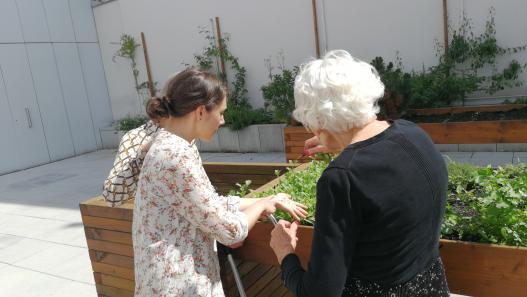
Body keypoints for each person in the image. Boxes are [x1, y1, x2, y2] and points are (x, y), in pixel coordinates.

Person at [269, 50, 450, 297]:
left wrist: (285, 254)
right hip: (430, 288)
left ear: (318, 120)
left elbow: (320, 292)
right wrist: (341, 142)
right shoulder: (413, 134)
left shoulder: (341, 178)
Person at [132, 68, 307, 297]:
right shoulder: (175, 156)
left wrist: (266, 199)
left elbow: (209, 203)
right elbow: (230, 231)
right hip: (177, 285)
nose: (223, 120)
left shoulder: (177, 144)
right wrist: (262, 206)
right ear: (201, 111)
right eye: (221, 112)